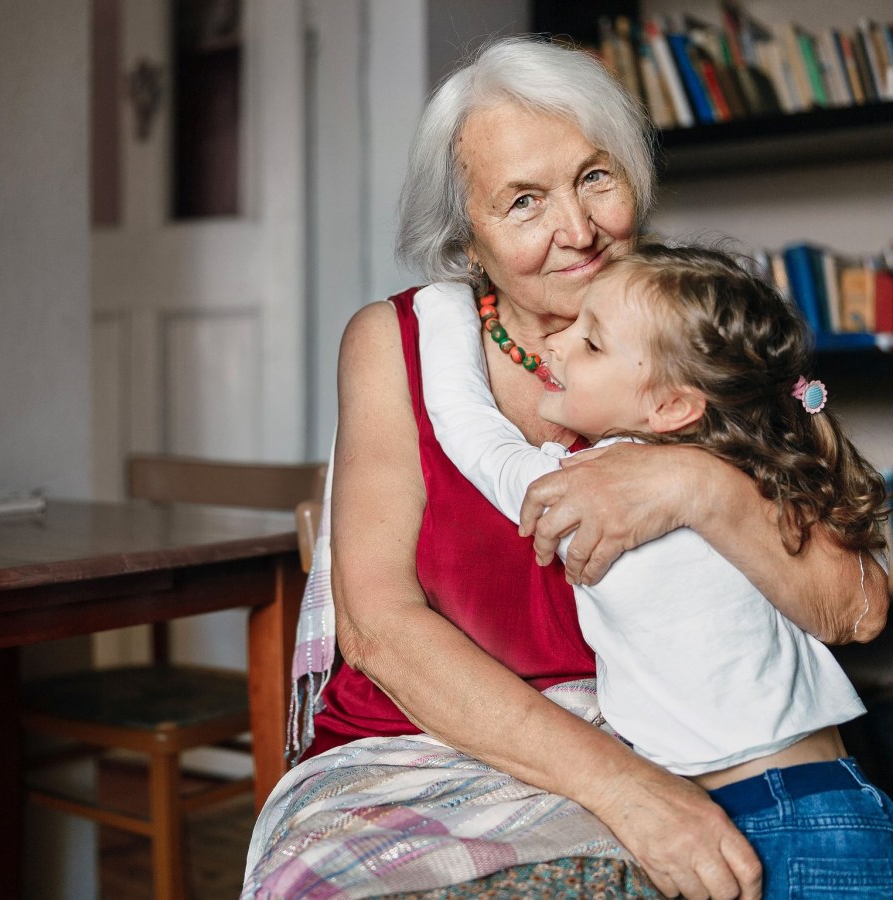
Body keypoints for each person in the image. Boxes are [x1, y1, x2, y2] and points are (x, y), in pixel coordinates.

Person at [243, 35, 887, 900]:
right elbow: (382, 628)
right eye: (523, 201)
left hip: (697, 756)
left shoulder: (699, 332)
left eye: (595, 178)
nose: (577, 231)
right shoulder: (399, 346)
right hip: (432, 745)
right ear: (465, 231)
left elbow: (856, 606)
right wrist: (626, 790)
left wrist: (695, 486)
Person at [415, 242, 893, 897]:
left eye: (592, 343)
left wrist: (441, 304)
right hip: (839, 796)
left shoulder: (587, 488)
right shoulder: (751, 470)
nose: (556, 345)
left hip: (768, 823)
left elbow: (465, 427)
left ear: (671, 407)